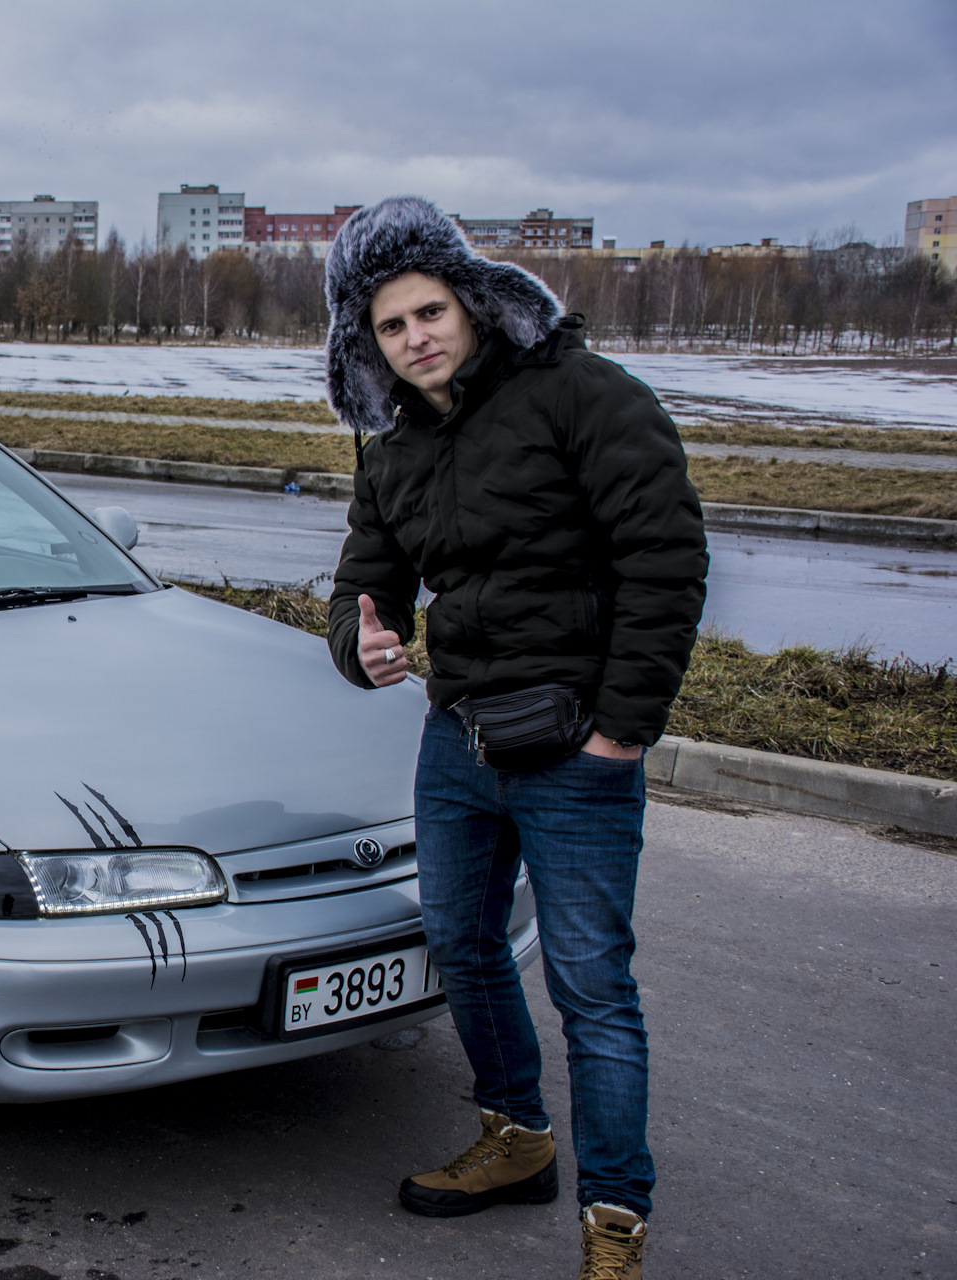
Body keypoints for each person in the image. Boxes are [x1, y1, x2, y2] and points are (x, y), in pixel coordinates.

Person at [322, 196, 708, 1280]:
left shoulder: (579, 394)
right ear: (371, 344)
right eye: (392, 328)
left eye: (430, 311)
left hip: (577, 744)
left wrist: (624, 733)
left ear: (474, 301)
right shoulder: (391, 441)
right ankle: (516, 1138)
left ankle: (615, 1221)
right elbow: (366, 582)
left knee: (593, 982)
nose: (417, 339)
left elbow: (666, 559)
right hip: (460, 738)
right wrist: (367, 645)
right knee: (462, 940)